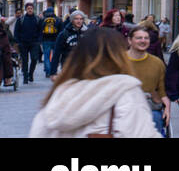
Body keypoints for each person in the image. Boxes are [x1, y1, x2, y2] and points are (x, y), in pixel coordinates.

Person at [29, 27, 160, 138]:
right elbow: (142, 133)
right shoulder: (125, 91)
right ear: (118, 55)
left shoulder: (60, 93)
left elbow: (38, 132)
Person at [125, 25, 169, 137]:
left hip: (150, 107)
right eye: (139, 38)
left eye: (146, 38)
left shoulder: (157, 63)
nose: (143, 41)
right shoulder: (119, 61)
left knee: (155, 118)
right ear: (130, 40)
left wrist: (167, 108)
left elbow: (162, 91)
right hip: (125, 107)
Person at [14, 3, 42, 84]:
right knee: (25, 61)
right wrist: (18, 41)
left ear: (33, 9)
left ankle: (31, 74)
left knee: (34, 59)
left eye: (31, 8)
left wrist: (39, 40)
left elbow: (41, 31)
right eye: (28, 8)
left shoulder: (37, 19)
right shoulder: (21, 19)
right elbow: (16, 31)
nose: (30, 10)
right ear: (26, 9)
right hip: (23, 43)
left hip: (34, 42)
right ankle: (25, 77)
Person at [40, 7, 61, 77]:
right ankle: (53, 71)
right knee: (55, 56)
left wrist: (40, 40)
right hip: (56, 40)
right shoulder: (58, 20)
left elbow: (40, 30)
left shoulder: (43, 20)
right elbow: (61, 30)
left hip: (45, 40)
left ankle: (48, 71)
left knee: (46, 56)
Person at [0, 18, 15, 88]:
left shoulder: (4, 34)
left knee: (7, 60)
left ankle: (8, 78)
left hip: (4, 53)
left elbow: (7, 44)